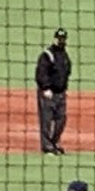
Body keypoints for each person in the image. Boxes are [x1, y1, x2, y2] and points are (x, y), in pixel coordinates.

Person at [35, 27, 73, 155]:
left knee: (61, 120)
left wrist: (64, 88)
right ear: (55, 39)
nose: (61, 41)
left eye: (63, 38)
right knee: (46, 120)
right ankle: (47, 147)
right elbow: (41, 73)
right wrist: (45, 88)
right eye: (59, 38)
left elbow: (67, 72)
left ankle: (54, 142)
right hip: (48, 93)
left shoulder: (64, 55)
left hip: (61, 93)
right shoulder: (47, 55)